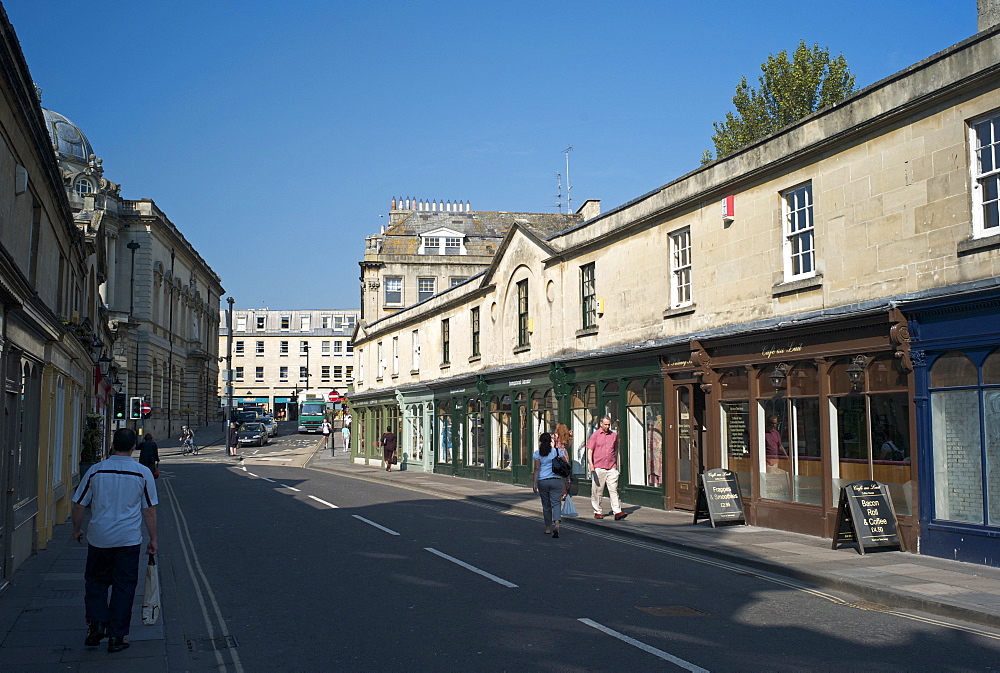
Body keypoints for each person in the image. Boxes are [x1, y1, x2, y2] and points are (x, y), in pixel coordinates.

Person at [71, 428, 158, 654]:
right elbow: (149, 511)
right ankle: (117, 636)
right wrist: (153, 539)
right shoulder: (142, 473)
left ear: (112, 445)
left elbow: (79, 505)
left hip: (99, 538)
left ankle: (97, 624)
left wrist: (76, 529)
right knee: (124, 586)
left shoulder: (95, 470)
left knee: (96, 582)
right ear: (133, 447)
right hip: (128, 539)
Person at [587, 415, 627, 520]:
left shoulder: (613, 436)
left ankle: (617, 511)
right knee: (597, 491)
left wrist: (617, 464)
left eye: (609, 424)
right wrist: (591, 464)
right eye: (605, 424)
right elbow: (590, 451)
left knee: (613, 490)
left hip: (611, 466)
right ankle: (597, 511)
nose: (607, 426)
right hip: (598, 467)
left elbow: (616, 450)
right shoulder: (595, 435)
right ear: (601, 424)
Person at [533, 432, 568, 538]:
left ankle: (548, 528)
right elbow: (565, 465)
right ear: (550, 441)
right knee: (556, 503)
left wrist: (534, 483)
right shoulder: (557, 451)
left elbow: (537, 469)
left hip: (543, 481)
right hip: (556, 480)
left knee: (546, 505)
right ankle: (556, 524)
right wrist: (567, 479)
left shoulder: (538, 453)